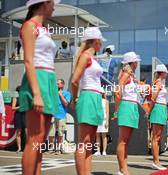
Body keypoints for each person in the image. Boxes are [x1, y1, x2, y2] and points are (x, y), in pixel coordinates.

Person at [19, 0, 60, 174]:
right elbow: (28, 61)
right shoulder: (29, 26)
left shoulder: (44, 29)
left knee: (40, 139)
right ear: (45, 4)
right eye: (53, 3)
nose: (54, 7)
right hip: (37, 78)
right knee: (34, 138)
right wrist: (36, 93)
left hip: (49, 80)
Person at [71, 27, 106, 175]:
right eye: (100, 41)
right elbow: (74, 81)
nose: (102, 44)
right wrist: (76, 98)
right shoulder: (85, 56)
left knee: (89, 143)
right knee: (84, 142)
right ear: (96, 41)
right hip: (88, 97)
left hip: (95, 97)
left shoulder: (92, 58)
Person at [114, 51, 141, 175]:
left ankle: (123, 168)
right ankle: (122, 169)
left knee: (126, 141)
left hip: (132, 106)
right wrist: (116, 110)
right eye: (136, 61)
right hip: (126, 106)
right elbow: (118, 92)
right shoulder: (125, 74)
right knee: (123, 141)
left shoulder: (130, 75)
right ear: (132, 62)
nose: (137, 63)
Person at [149, 64, 168, 170]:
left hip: (160, 109)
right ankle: (156, 162)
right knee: (156, 137)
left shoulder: (160, 83)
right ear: (162, 73)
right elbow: (153, 98)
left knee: (157, 137)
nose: (167, 74)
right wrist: (149, 111)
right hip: (158, 109)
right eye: (165, 72)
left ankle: (156, 161)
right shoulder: (158, 82)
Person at [49, 79, 71, 154]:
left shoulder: (67, 93)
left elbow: (66, 104)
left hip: (62, 116)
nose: (56, 85)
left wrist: (61, 95)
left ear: (62, 85)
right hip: (53, 116)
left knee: (60, 133)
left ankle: (58, 149)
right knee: (51, 133)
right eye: (56, 84)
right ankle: (51, 148)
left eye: (58, 84)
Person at [94, 92, 110, 156]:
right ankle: (98, 151)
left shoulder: (106, 101)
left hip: (103, 120)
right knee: (97, 136)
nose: (100, 94)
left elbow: (107, 112)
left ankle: (104, 151)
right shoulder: (95, 101)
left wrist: (107, 121)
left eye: (101, 93)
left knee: (104, 136)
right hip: (97, 120)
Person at [12, 86, 27, 153]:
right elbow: (13, 108)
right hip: (18, 115)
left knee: (27, 133)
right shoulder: (16, 98)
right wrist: (20, 107)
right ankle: (19, 148)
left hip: (26, 116)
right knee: (18, 133)